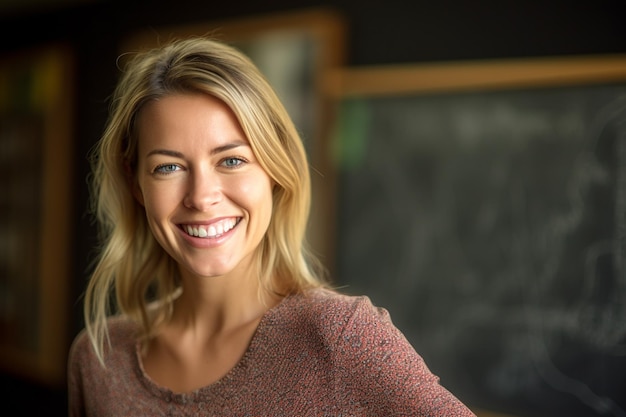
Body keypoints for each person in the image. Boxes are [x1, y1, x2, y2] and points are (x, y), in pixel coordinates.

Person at [67, 36, 476, 416]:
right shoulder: (99, 357)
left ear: (274, 170)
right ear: (136, 183)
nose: (201, 196)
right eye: (168, 167)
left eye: (231, 160)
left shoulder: (341, 337)